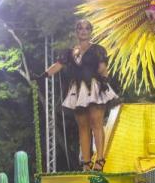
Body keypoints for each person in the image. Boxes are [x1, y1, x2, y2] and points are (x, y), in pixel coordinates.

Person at [42, 19, 119, 171]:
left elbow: (103, 68)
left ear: (91, 31)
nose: (83, 31)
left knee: (96, 123)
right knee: (83, 126)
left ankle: (100, 159)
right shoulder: (70, 52)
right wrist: (43, 75)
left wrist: (104, 81)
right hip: (77, 91)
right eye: (80, 29)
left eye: (86, 29)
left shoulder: (98, 49)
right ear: (76, 32)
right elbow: (58, 65)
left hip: (95, 88)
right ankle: (86, 163)